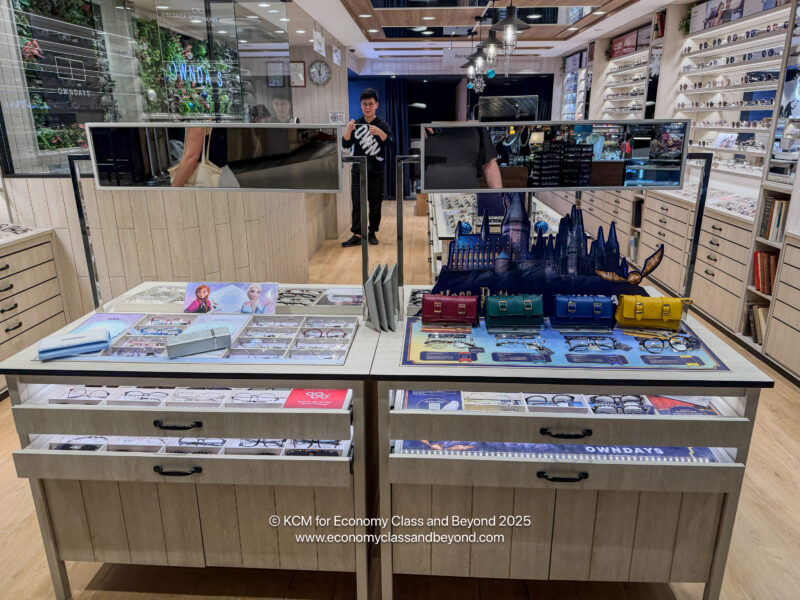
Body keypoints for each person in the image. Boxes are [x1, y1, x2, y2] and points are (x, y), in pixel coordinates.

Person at [341, 88, 393, 247]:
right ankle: (357, 233)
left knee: (375, 203)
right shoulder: (356, 124)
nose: (368, 107)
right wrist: (348, 130)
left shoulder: (382, 124)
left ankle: (372, 232)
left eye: (371, 104)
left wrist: (380, 133)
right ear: (361, 105)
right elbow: (345, 143)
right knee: (357, 202)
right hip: (358, 171)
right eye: (365, 104)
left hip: (377, 171)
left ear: (376, 105)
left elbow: (391, 145)